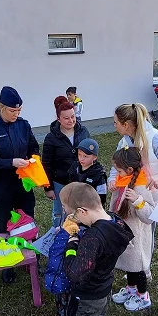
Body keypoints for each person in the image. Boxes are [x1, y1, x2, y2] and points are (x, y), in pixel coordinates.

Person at [108, 103, 158, 295]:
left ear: (127, 124)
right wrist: (113, 178)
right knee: (145, 232)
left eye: (115, 123)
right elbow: (117, 162)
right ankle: (144, 269)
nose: (114, 126)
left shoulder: (155, 139)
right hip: (144, 193)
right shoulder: (125, 140)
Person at [61, 183, 133, 316]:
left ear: (83, 211)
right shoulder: (116, 221)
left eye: (73, 214)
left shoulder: (93, 238)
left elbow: (75, 273)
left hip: (87, 297)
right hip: (103, 289)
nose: (73, 218)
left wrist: (72, 243)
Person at [0, 86, 41, 282]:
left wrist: (33, 163)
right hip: (1, 186)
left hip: (22, 184)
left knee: (27, 221)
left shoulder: (23, 125)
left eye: (19, 111)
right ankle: (8, 265)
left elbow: (33, 148)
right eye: (12, 111)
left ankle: (30, 259)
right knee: (4, 225)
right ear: (1, 107)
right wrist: (11, 162)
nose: (16, 114)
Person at [109, 147, 157, 312]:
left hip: (137, 236)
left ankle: (143, 296)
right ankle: (131, 289)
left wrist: (138, 201)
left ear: (129, 170)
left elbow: (150, 215)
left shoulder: (140, 187)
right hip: (125, 233)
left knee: (139, 268)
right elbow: (117, 206)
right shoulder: (123, 181)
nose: (117, 173)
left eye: (119, 170)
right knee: (130, 265)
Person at [43, 96, 91, 228]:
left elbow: (90, 153)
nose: (71, 120)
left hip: (81, 180)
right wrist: (48, 188)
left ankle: (79, 234)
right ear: (58, 119)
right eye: (66, 118)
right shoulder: (51, 138)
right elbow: (46, 164)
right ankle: (57, 234)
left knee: (81, 209)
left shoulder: (83, 131)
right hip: (60, 182)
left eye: (73, 116)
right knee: (59, 212)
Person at [68, 138, 108, 207]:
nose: (81, 158)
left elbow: (102, 196)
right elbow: (69, 183)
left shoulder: (99, 174)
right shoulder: (75, 167)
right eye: (79, 154)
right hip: (75, 205)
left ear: (94, 157)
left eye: (86, 156)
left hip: (91, 208)